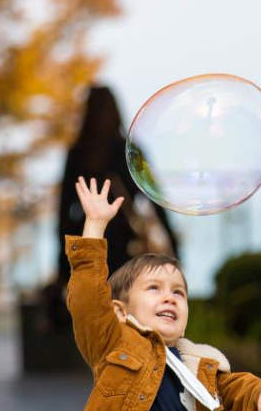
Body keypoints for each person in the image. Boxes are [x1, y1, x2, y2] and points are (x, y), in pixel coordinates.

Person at [66, 176, 261, 411]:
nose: (169, 297)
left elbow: (240, 386)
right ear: (119, 310)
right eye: (154, 288)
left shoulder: (202, 364)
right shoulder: (113, 343)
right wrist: (95, 224)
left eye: (178, 292)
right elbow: (88, 301)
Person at [58, 84, 179, 283]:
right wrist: (172, 241)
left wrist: (63, 258)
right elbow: (154, 198)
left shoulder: (78, 154)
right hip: (126, 242)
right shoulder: (129, 151)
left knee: (94, 305)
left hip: (87, 238)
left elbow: (64, 209)